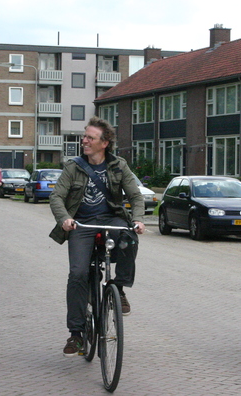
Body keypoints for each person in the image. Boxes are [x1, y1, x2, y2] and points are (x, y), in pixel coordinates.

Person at [49, 116, 145, 357]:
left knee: (129, 238)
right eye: (85, 136)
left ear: (105, 142)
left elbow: (135, 196)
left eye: (90, 138)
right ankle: (77, 334)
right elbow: (56, 197)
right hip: (81, 223)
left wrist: (138, 219)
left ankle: (119, 288)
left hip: (110, 219)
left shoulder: (119, 165)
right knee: (78, 274)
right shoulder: (74, 166)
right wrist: (65, 219)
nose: (84, 141)